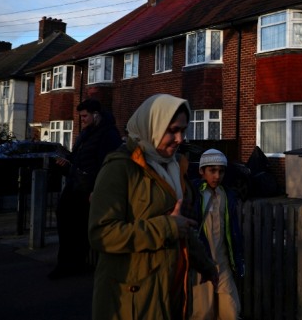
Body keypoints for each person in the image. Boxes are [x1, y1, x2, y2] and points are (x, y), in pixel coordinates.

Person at [88, 94, 218, 320]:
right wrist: (166, 228)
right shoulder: (119, 168)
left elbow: (182, 227)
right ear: (152, 127)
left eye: (183, 130)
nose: (180, 138)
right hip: (132, 299)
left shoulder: (173, 167)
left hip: (171, 292)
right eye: (172, 130)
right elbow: (101, 233)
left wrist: (206, 266)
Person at [48, 98, 122, 279]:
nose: (82, 120)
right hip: (76, 185)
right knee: (67, 222)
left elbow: (106, 165)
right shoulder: (86, 133)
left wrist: (96, 190)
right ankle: (67, 263)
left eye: (85, 116)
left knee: (79, 227)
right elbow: (79, 159)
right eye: (81, 116)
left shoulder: (109, 134)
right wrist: (66, 164)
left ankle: (71, 265)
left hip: (88, 189)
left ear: (96, 115)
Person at [190, 149, 245, 320]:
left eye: (221, 171)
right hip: (201, 265)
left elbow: (233, 229)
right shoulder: (194, 194)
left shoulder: (227, 195)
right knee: (202, 312)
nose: (217, 176)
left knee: (231, 311)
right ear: (202, 171)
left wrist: (237, 258)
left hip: (223, 263)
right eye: (212, 170)